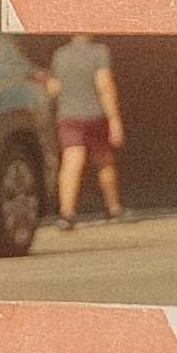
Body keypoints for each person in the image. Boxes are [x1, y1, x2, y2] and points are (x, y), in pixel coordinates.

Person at [48, 23, 126, 221]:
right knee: (104, 161)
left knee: (71, 162)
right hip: (95, 115)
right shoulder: (99, 52)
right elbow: (104, 85)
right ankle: (113, 208)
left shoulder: (60, 54)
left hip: (68, 116)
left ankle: (66, 212)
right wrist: (115, 120)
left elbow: (54, 87)